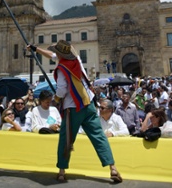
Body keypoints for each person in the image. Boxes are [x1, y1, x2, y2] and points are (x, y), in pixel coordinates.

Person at [27, 41, 122, 183]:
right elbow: (52, 55)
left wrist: (57, 99)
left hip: (73, 108)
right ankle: (112, 167)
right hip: (88, 103)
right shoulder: (76, 59)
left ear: (60, 55)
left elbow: (62, 90)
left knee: (66, 140)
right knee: (99, 136)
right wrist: (35, 49)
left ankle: (61, 171)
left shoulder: (61, 69)